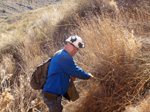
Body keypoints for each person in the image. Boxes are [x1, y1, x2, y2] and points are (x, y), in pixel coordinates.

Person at [42, 35, 94, 112]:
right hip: (52, 94)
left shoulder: (60, 53)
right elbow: (76, 71)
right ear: (68, 44)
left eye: (77, 49)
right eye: (74, 48)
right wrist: (88, 76)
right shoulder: (65, 57)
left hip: (51, 93)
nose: (75, 51)